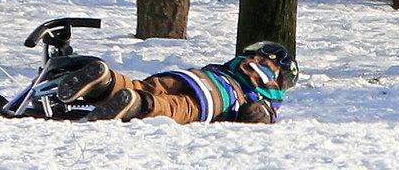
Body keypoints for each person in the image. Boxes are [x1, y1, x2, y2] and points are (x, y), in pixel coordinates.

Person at [57, 41, 298, 124]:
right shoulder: (268, 94)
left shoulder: (236, 64)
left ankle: (107, 82)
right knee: (173, 107)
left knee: (145, 85)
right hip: (215, 100)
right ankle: (138, 105)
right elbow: (256, 114)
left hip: (194, 76)